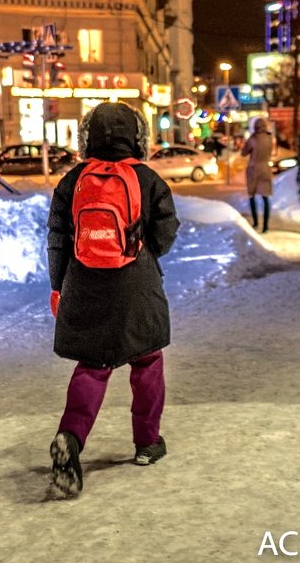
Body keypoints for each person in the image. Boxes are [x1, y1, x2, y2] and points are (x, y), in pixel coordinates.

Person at [45, 102, 181, 497]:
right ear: (136, 136)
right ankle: (147, 443)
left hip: (85, 283)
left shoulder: (71, 181)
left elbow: (57, 238)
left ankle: (70, 437)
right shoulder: (148, 179)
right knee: (148, 360)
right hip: (137, 284)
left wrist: (59, 285)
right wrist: (142, 250)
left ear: (88, 136)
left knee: (93, 365)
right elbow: (166, 232)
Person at [241, 117, 274, 232]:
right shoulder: (270, 138)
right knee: (265, 197)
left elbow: (244, 153)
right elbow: (271, 152)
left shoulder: (252, 139)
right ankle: (266, 226)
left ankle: (255, 223)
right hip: (266, 168)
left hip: (253, 170)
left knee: (252, 196)